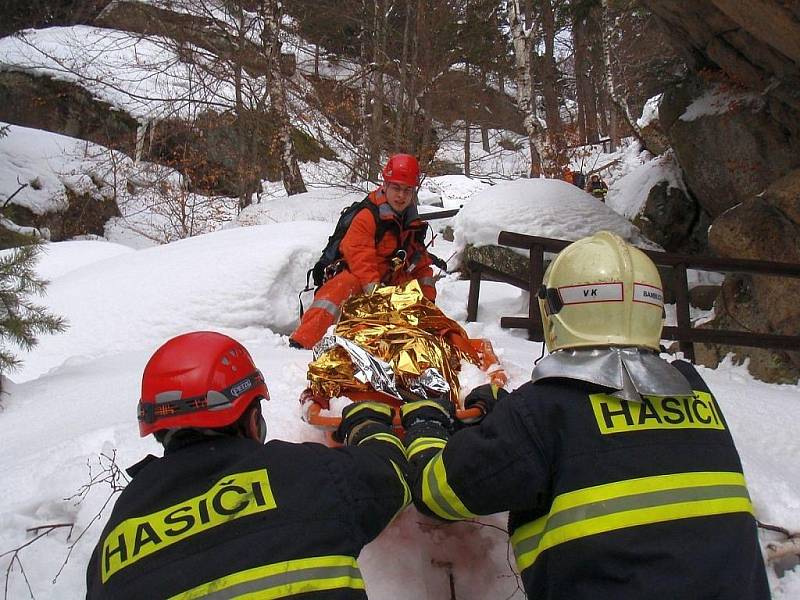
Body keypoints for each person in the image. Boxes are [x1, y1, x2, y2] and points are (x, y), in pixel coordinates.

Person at [399, 231, 769, 600]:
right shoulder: (696, 392)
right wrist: (510, 417)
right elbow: (618, 446)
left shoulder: (545, 410)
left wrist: (426, 426)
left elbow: (438, 495)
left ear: (555, 310)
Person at [86, 331, 410, 599]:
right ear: (252, 417)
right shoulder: (308, 474)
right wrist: (368, 426)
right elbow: (393, 474)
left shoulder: (112, 545)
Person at [289, 154, 436, 349]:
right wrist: (376, 294)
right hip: (361, 278)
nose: (401, 195)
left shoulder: (412, 222)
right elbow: (359, 257)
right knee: (340, 288)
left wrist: (428, 303)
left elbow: (421, 266)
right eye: (396, 188)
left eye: (407, 190)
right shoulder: (368, 216)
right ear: (386, 185)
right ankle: (303, 342)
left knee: (421, 311)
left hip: (390, 280)